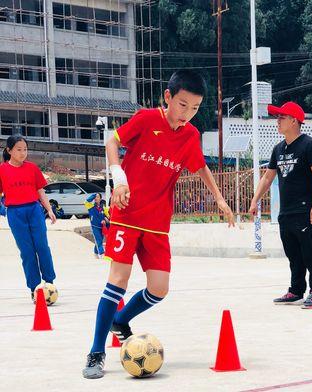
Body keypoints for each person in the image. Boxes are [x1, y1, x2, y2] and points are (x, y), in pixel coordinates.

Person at [82, 70, 235, 379]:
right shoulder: (146, 119)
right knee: (118, 279)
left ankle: (120, 320)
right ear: (167, 97)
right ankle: (96, 352)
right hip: (126, 213)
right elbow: (113, 142)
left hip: (157, 222)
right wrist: (119, 182)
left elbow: (200, 167)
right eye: (182, 105)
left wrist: (219, 198)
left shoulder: (189, 135)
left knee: (159, 288)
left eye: (194, 108)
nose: (187, 114)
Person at [249, 102, 312, 310]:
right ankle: (296, 290)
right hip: (286, 212)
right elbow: (267, 177)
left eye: (282, 117)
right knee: (293, 254)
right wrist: (255, 199)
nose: (278, 121)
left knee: (311, 253)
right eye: (277, 117)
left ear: (294, 120)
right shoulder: (278, 149)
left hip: (305, 211)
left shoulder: (309, 145)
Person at [0, 135, 57, 302]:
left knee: (42, 247)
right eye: (19, 149)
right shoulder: (2, 170)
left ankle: (49, 283)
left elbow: (41, 192)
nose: (23, 153)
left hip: (34, 210)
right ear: (9, 150)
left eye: (25, 149)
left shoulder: (32, 168)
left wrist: (49, 210)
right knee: (27, 252)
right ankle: (34, 288)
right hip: (15, 214)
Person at [84, 193, 109, 258]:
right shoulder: (90, 206)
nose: (96, 198)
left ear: (100, 199)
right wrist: (94, 195)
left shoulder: (104, 208)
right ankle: (102, 253)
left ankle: (95, 253)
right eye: (95, 197)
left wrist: (105, 220)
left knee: (99, 239)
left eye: (97, 197)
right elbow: (86, 201)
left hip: (102, 227)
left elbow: (108, 216)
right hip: (94, 226)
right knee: (98, 239)